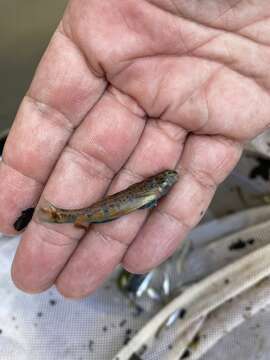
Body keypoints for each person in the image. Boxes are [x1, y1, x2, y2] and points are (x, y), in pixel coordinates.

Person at [0, 0, 269, 298]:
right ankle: (60, 215)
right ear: (158, 186)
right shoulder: (153, 191)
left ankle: (61, 216)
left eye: (167, 181)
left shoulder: (153, 191)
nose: (169, 181)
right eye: (166, 181)